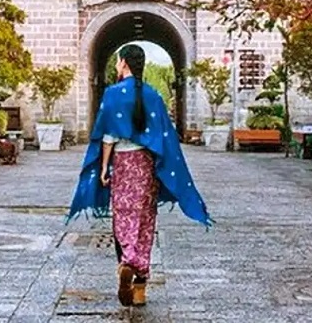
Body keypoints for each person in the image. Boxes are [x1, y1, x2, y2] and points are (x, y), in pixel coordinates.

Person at [68, 44, 211, 307]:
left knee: (123, 217)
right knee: (145, 220)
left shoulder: (112, 94)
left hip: (123, 164)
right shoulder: (153, 95)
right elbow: (164, 136)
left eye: (117, 61)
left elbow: (108, 136)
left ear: (123, 62)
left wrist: (103, 168)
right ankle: (140, 288)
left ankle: (127, 262)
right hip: (146, 166)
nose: (116, 66)